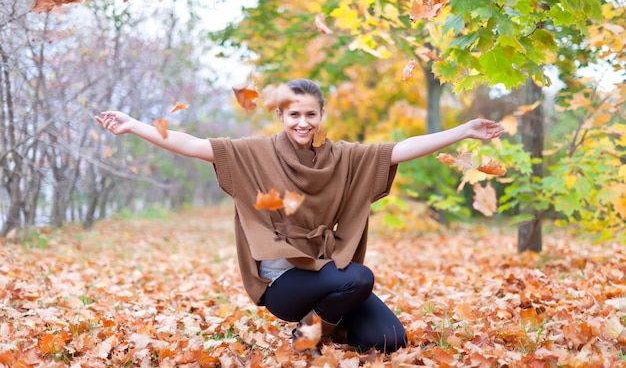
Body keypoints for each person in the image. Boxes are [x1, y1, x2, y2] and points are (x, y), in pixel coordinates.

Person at [96, 78, 504, 355]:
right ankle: (309, 331)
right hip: (283, 284)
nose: (303, 123)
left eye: (310, 115)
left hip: (325, 273)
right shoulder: (253, 153)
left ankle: (321, 324)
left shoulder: (341, 156)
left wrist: (463, 131)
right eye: (294, 115)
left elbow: (400, 149)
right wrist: (135, 127)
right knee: (358, 276)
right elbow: (193, 144)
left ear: (321, 115)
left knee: (390, 340)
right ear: (281, 117)